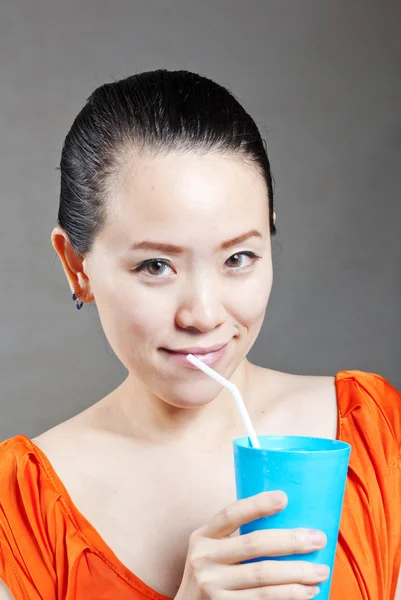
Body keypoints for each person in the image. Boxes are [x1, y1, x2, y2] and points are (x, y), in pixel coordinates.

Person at [0, 69, 400, 600]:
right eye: (155, 266)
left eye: (239, 257)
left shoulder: (377, 435)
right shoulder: (20, 509)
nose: (204, 315)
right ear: (77, 266)